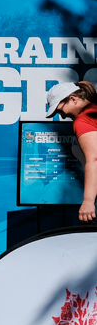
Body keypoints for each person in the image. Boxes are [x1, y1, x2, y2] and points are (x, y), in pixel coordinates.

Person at [47, 80, 97, 223]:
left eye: (59, 110)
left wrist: (88, 200)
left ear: (73, 99)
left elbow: (93, 159)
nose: (61, 116)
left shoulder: (83, 120)